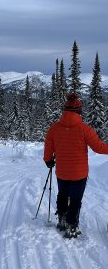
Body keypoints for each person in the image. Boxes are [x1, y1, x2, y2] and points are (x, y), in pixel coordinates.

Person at [43, 93, 108, 238]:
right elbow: (98, 147)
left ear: (64, 110)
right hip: (79, 173)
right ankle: (72, 226)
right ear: (79, 111)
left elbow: (48, 147)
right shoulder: (85, 129)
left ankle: (62, 220)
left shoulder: (54, 129)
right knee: (76, 200)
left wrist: (48, 160)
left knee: (62, 195)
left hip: (62, 172)